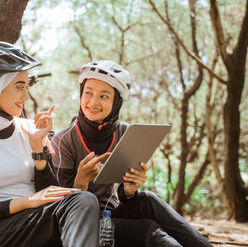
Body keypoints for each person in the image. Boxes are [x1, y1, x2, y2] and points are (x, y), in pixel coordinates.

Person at [0, 41, 100, 247]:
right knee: (82, 201)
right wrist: (28, 201)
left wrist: (38, 149)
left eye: (27, 87)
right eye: (19, 87)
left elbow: (50, 193)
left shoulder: (31, 129)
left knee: (85, 199)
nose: (26, 97)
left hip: (36, 220)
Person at [51, 60, 212, 247]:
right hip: (80, 225)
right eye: (88, 93)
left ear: (116, 102)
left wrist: (129, 190)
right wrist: (81, 183)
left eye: (104, 96)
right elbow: (60, 207)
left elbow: (122, 195)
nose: (93, 102)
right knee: (149, 231)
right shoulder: (64, 141)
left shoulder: (125, 133)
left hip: (110, 215)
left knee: (148, 199)